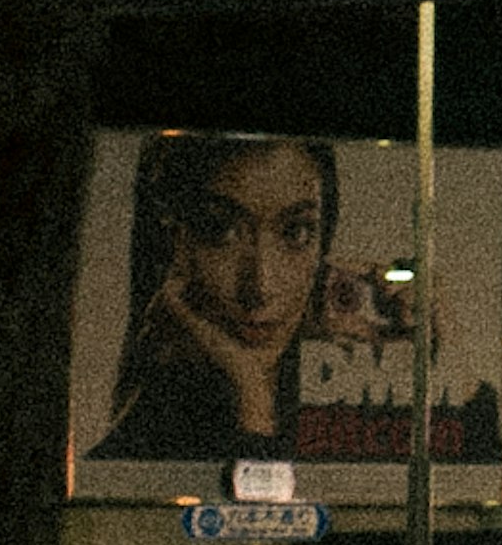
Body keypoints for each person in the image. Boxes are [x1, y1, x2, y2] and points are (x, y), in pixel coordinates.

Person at [96, 136, 338, 466]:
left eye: (295, 232)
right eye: (220, 229)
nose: (259, 286)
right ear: (174, 245)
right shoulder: (133, 456)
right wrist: (251, 394)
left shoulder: (338, 424)